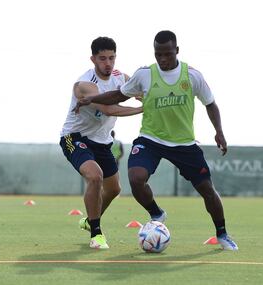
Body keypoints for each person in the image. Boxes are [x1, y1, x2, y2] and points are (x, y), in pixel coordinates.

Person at [74, 30, 238, 251]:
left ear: (176, 51)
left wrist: (219, 131)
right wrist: (92, 99)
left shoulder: (192, 75)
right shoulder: (145, 75)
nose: (162, 59)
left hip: (184, 143)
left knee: (207, 189)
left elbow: (210, 103)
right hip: (150, 139)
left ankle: (222, 234)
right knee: (135, 178)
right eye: (158, 54)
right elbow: (118, 95)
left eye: (167, 54)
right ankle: (156, 213)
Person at [60, 36, 142, 249]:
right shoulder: (84, 85)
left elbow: (142, 92)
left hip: (102, 141)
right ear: (93, 59)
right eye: (103, 58)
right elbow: (108, 108)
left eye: (112, 58)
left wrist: (148, 99)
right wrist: (142, 109)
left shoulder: (121, 78)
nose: (108, 63)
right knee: (95, 177)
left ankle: (89, 220)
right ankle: (96, 233)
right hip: (75, 138)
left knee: (114, 189)